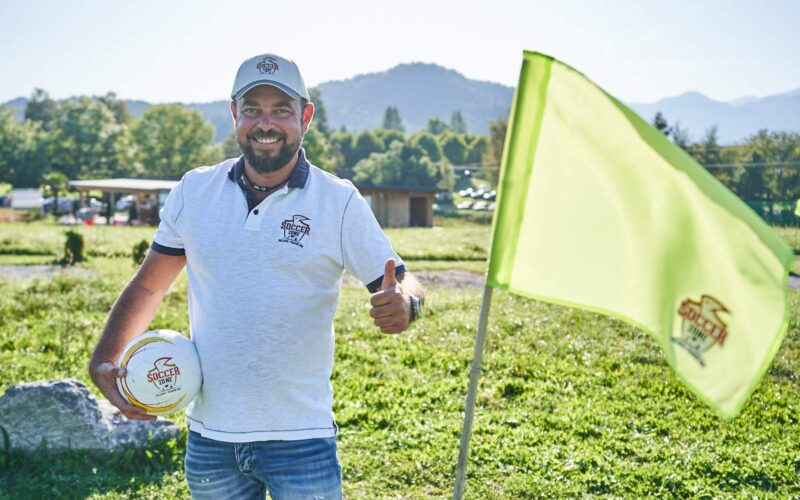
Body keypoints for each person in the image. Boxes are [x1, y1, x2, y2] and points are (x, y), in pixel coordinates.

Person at [88, 53, 424, 499]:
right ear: (235, 115)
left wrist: (407, 304)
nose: (266, 123)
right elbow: (151, 284)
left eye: (281, 110)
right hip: (211, 442)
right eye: (253, 110)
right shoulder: (195, 190)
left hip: (301, 441)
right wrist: (104, 358)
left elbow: (402, 280)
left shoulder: (338, 201)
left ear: (305, 117)